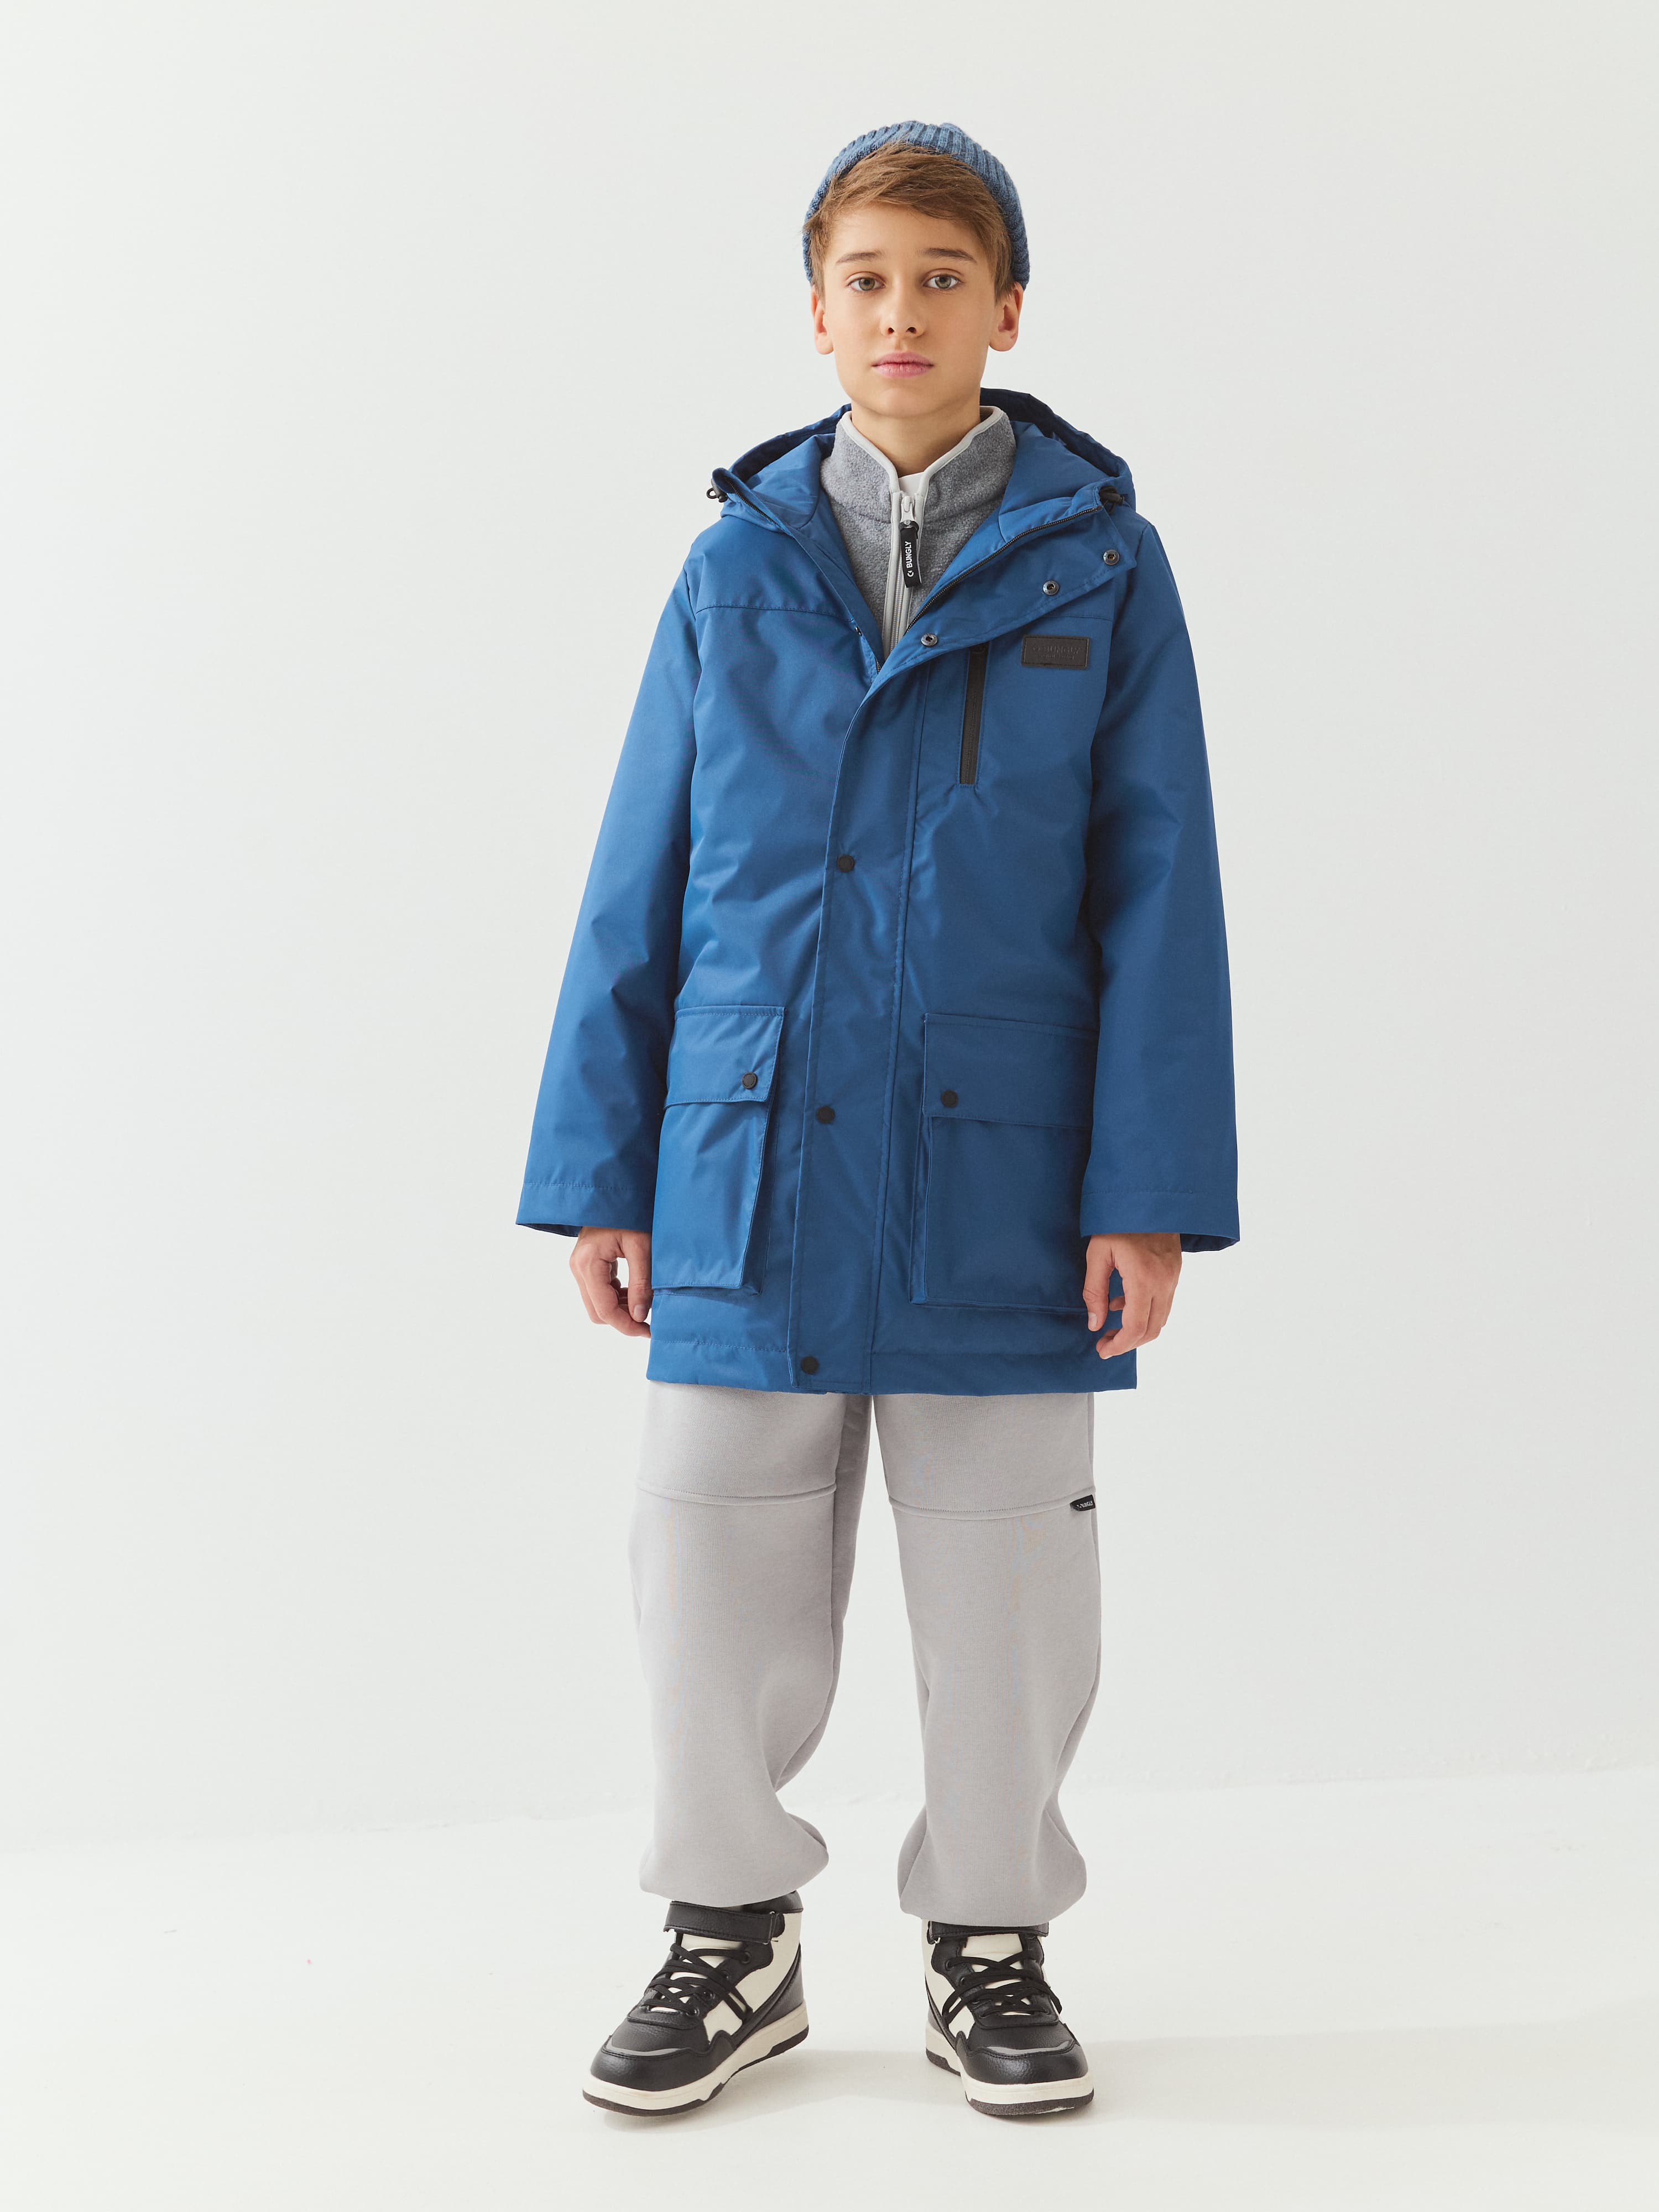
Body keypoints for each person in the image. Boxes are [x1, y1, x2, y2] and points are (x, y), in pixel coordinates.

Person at [517, 119, 1238, 2120]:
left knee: (1007, 1575)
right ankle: (727, 1936)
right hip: (740, 1155)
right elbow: (641, 877)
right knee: (709, 1556)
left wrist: (1149, 1190)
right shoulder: (733, 564)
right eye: (867, 279)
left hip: (1005, 1163)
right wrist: (598, 1172)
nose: (902, 312)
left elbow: (1160, 890)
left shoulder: (1105, 567)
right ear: (816, 314)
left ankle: (990, 1940)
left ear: (1009, 311)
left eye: (942, 277)